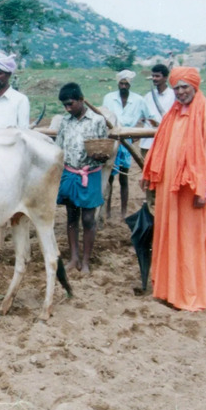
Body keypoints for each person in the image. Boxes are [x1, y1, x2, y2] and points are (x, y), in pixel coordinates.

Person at [140, 67, 206, 314]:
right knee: (169, 237)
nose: (181, 92)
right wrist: (150, 172)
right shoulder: (171, 114)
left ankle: (189, 293)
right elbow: (160, 146)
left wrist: (203, 189)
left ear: (195, 86)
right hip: (169, 191)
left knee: (190, 239)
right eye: (176, 88)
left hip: (192, 191)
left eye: (185, 87)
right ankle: (169, 291)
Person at [55, 83, 110, 275]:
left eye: (70, 104)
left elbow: (105, 147)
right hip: (70, 173)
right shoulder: (65, 121)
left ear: (81, 99)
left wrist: (101, 156)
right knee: (71, 217)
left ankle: (86, 261)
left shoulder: (97, 121)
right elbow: (59, 147)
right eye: (65, 105)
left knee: (88, 219)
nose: (67, 108)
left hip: (90, 173)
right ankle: (74, 258)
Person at [101, 70, 156, 220]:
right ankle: (107, 211)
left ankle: (124, 211)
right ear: (118, 84)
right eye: (121, 83)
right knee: (109, 178)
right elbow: (102, 117)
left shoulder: (138, 100)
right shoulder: (109, 98)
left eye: (126, 84)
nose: (124, 86)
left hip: (127, 142)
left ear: (130, 85)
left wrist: (137, 136)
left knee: (124, 178)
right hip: (112, 140)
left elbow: (148, 118)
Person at [140, 64, 174, 154]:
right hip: (147, 142)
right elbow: (142, 117)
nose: (154, 78)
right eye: (153, 76)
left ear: (165, 78)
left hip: (166, 141)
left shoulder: (173, 96)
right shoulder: (148, 96)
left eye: (157, 76)